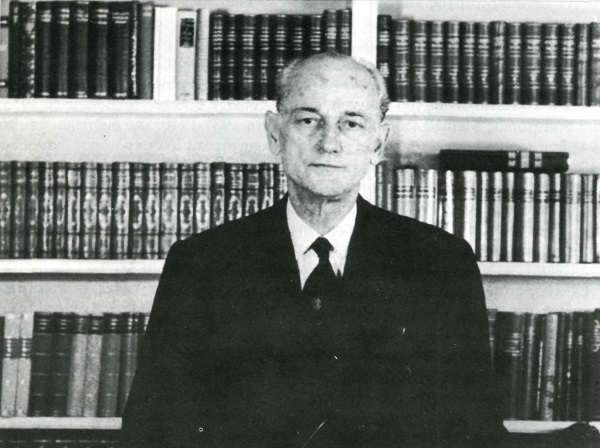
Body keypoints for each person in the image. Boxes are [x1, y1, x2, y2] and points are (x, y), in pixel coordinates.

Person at [121, 52, 506, 448]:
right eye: (308, 120)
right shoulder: (202, 263)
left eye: (351, 123)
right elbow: (150, 431)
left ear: (378, 144)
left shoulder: (440, 263)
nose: (329, 143)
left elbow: (475, 432)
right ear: (275, 134)